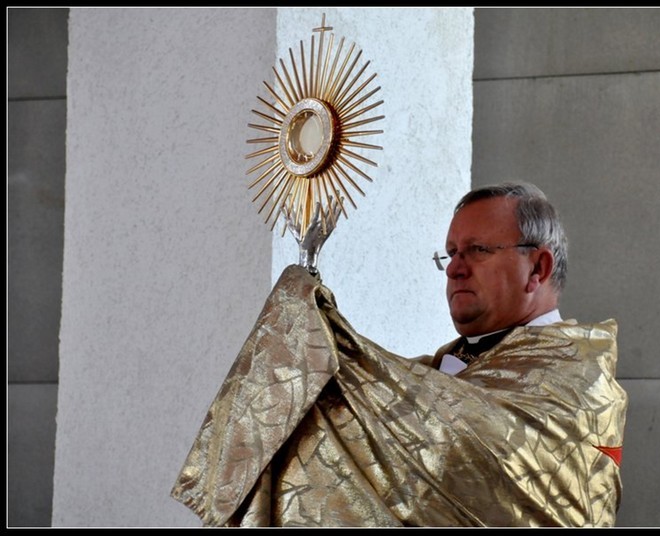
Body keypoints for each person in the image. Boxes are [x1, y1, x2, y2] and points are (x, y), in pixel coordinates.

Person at [171, 182, 628, 527]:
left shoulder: (578, 384)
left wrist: (333, 341)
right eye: (450, 253)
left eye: (477, 250)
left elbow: (458, 444)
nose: (455, 268)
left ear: (538, 267)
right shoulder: (436, 374)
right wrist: (312, 342)